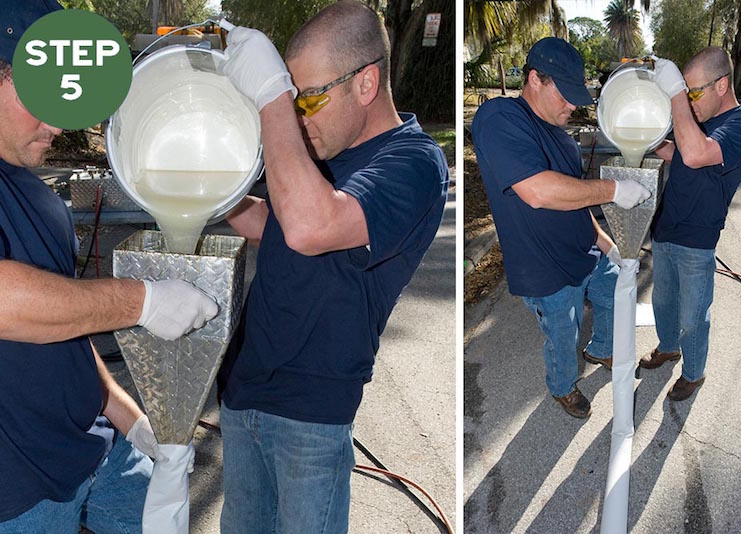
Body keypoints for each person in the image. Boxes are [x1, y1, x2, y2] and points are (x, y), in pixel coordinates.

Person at [216, 2, 449, 532]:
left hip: (311, 415)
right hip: (242, 388)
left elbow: (310, 227)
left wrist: (273, 97)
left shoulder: (413, 163)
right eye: (293, 100)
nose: (298, 116)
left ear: (366, 84)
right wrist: (212, 194)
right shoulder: (323, 150)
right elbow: (272, 222)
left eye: (309, 99)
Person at [0, 2, 220, 530]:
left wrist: (131, 419)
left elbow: (68, 330)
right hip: (19, 492)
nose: (57, 122)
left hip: (100, 450)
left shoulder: (42, 200)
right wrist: (142, 301)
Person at [471, 37, 652, 419]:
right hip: (544, 269)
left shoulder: (561, 134)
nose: (573, 105)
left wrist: (607, 245)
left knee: (613, 298)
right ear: (535, 79)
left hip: (585, 251)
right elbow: (537, 192)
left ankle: (602, 348)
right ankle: (562, 387)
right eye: (565, 95)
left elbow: (576, 199)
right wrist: (614, 190)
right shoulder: (500, 119)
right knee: (562, 337)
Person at [642, 48, 741, 400]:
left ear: (721, 85)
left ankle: (693, 373)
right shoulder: (701, 120)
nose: (690, 100)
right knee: (663, 301)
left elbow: (696, 154)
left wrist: (676, 92)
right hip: (665, 226)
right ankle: (667, 347)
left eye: (694, 91)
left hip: (697, 239)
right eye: (687, 92)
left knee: (693, 317)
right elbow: (679, 153)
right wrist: (648, 139)